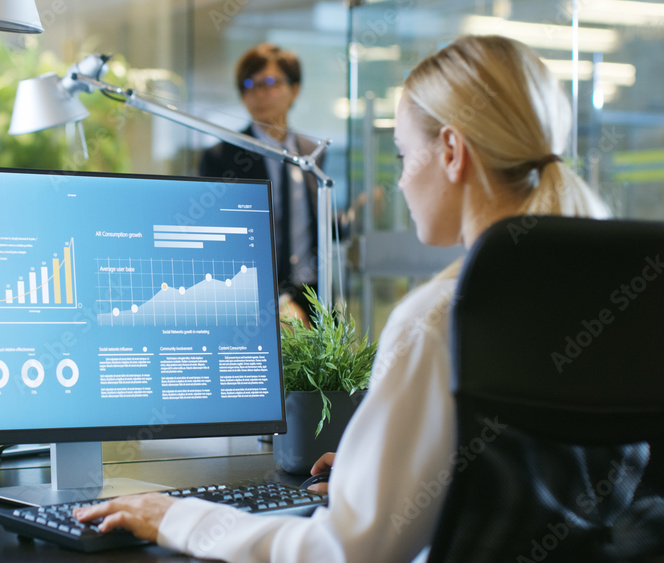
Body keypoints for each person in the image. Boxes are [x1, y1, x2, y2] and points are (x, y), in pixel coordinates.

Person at [74, 34, 611, 561]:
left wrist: (180, 518)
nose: (400, 182)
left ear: (451, 151)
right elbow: (527, 470)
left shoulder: (436, 319)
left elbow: (343, 552)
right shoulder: (600, 292)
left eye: (402, 155)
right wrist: (384, 472)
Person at [198, 43, 327, 321]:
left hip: (314, 295)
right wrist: (276, 300)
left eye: (270, 82)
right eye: (249, 85)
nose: (259, 93)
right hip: (251, 299)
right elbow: (217, 241)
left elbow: (313, 222)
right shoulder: (221, 156)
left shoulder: (313, 152)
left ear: (295, 89)